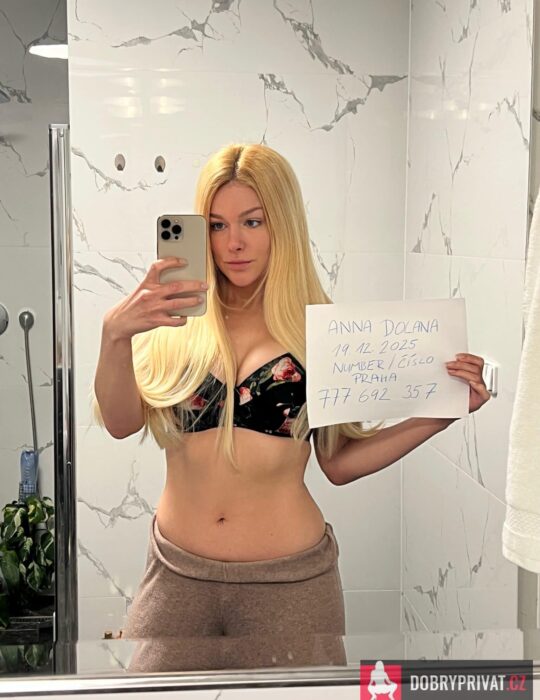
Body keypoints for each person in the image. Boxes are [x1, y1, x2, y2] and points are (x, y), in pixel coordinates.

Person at [92, 143, 491, 672]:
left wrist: (439, 414)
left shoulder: (318, 329)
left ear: (282, 223)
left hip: (289, 586)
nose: (233, 242)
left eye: (252, 221)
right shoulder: (174, 323)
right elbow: (121, 424)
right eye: (217, 225)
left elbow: (338, 463)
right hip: (176, 577)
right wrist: (115, 334)